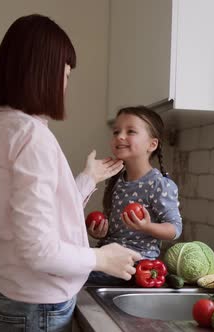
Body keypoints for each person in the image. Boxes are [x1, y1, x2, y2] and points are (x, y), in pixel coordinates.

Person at [0, 14, 141, 332]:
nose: (64, 86)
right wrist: (101, 258)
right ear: (42, 72)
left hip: (13, 300)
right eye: (65, 75)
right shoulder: (31, 136)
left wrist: (87, 179)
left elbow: (33, 220)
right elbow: (39, 250)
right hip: (36, 311)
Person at [86, 106, 183, 285]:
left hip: (138, 266)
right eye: (116, 131)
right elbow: (117, 231)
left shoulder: (159, 184)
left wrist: (147, 227)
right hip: (111, 259)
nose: (120, 136)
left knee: (73, 276)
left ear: (152, 144)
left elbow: (175, 229)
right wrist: (101, 233)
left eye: (130, 131)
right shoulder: (115, 179)